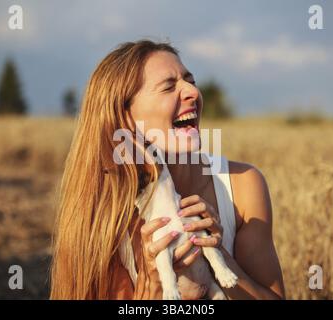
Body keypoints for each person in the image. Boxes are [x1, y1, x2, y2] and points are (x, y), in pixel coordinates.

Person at [50, 40, 285, 300]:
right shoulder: (107, 210)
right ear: (125, 117)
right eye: (169, 87)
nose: (192, 93)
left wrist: (218, 255)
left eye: (190, 80)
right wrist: (154, 287)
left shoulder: (242, 185)